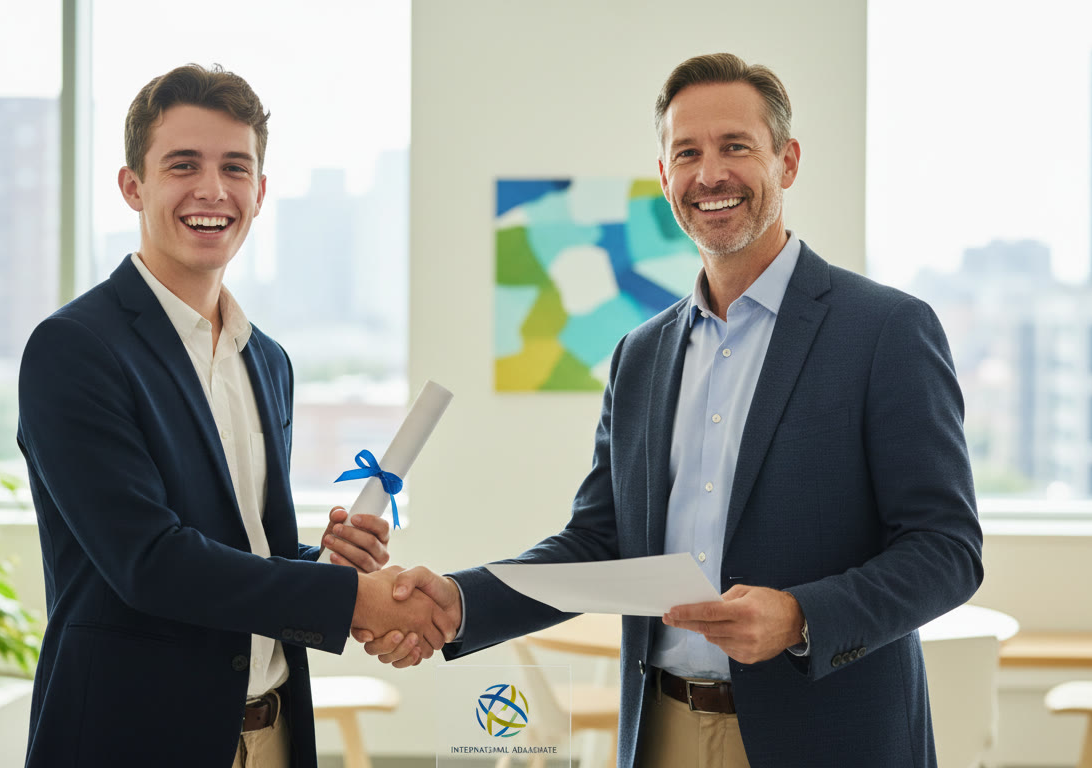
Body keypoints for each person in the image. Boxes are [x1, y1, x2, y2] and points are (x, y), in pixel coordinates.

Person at [363, 52, 984, 767]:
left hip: (827, 736)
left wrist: (800, 616)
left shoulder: (885, 331)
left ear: (787, 162)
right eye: (686, 152)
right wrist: (456, 601)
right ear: (664, 177)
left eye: (736, 147)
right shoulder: (640, 354)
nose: (709, 174)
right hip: (662, 731)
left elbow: (947, 550)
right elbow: (599, 545)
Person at [17, 64, 447, 768]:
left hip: (271, 733)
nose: (212, 191)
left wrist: (326, 562)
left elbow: (246, 555)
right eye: (183, 165)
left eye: (234, 168)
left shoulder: (267, 360)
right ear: (133, 186)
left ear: (260, 191)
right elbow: (150, 563)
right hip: (133, 739)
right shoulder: (74, 350)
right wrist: (352, 600)